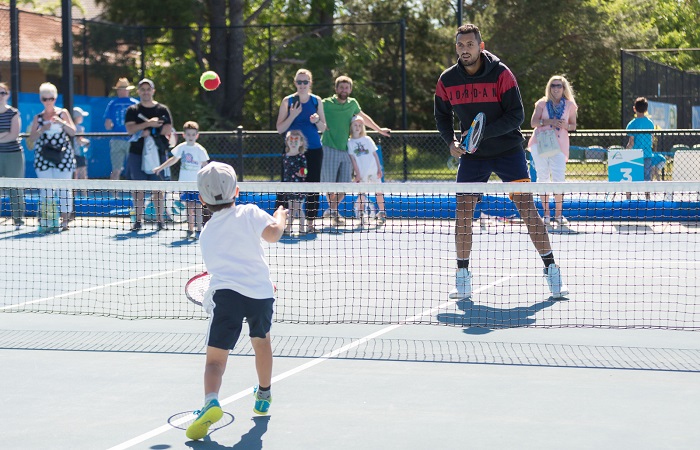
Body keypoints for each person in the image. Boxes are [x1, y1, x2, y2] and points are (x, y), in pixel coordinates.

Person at [434, 24, 567, 300]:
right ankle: (462, 275)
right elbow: (442, 115)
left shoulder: (502, 74)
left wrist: (480, 134)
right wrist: (451, 142)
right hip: (473, 158)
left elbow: (516, 115)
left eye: (470, 44)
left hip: (508, 152)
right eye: (460, 45)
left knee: (528, 210)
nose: (465, 49)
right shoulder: (447, 80)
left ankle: (552, 269)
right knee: (463, 215)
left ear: (480, 46)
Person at [186, 162, 286, 441]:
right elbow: (274, 234)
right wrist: (281, 216)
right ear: (237, 191)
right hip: (260, 295)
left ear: (202, 200)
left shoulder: (206, 233)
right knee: (262, 342)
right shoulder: (250, 212)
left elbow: (217, 269)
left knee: (215, 361)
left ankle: (211, 401)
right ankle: (264, 394)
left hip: (226, 297)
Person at [321, 75, 391, 224]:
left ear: (350, 89)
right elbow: (315, 114)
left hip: (345, 150)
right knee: (329, 185)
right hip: (328, 148)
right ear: (336, 88)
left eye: (346, 87)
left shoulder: (352, 104)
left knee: (346, 184)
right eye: (341, 87)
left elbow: (363, 117)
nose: (344, 90)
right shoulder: (325, 103)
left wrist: (379, 129)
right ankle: (334, 213)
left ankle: (332, 209)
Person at [275, 69, 326, 233]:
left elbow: (323, 127)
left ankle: (310, 223)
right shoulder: (287, 101)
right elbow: (280, 128)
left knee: (312, 185)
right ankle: (281, 223)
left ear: (310, 83)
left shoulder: (316, 101)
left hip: (313, 149)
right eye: (299, 82)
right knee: (286, 186)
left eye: (305, 82)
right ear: (295, 83)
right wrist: (292, 115)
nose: (302, 85)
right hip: (292, 151)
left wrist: (317, 120)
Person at [124, 78, 174, 232]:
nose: (146, 92)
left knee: (158, 189)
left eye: (148, 89)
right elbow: (130, 129)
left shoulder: (162, 109)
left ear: (153, 91)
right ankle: (138, 221)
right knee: (138, 188)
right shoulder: (133, 110)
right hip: (137, 154)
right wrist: (147, 124)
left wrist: (153, 131)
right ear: (139, 92)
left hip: (158, 155)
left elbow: (167, 129)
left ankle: (160, 221)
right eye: (143, 89)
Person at [528, 75, 578, 226]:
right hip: (541, 143)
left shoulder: (570, 105)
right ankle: (546, 214)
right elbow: (533, 122)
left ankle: (558, 214)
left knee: (559, 178)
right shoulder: (541, 103)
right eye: (553, 85)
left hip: (559, 145)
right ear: (549, 87)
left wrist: (565, 126)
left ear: (564, 88)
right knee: (542, 177)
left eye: (559, 86)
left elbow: (573, 125)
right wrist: (549, 121)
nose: (556, 88)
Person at [29, 82, 77, 232]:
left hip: (63, 158)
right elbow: (32, 137)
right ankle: (47, 220)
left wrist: (61, 122)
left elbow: (73, 132)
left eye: (51, 98)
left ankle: (65, 222)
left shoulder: (63, 113)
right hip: (43, 158)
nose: (48, 101)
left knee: (64, 189)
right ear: (41, 99)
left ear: (55, 98)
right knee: (46, 190)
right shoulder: (38, 117)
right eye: (45, 98)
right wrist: (43, 128)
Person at [153, 121, 209, 239]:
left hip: (197, 184)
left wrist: (211, 178)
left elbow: (205, 165)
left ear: (197, 135)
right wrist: (160, 167)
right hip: (185, 184)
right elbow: (173, 159)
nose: (191, 137)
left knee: (198, 207)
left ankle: (199, 230)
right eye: (188, 134)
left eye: (193, 134)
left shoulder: (200, 149)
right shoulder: (182, 147)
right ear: (184, 135)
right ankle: (190, 229)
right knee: (189, 206)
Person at [347, 115, 386, 225]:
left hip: (373, 171)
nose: (357, 127)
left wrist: (379, 169)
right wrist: (357, 174)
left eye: (360, 125)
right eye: (355, 125)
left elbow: (375, 155)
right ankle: (361, 214)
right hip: (361, 173)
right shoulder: (349, 143)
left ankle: (382, 213)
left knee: (379, 192)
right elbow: (353, 160)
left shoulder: (368, 139)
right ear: (351, 127)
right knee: (361, 194)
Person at [0, 82, 25, 229]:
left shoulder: (14, 113)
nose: (0, 96)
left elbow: (14, 134)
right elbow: (8, 134)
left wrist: (6, 135)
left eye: (2, 93)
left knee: (15, 188)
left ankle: (18, 220)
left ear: (7, 95)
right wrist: (5, 134)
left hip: (13, 156)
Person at [103, 78, 139, 180]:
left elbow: (107, 125)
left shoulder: (112, 104)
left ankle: (115, 195)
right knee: (134, 168)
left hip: (117, 139)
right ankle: (136, 195)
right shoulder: (135, 104)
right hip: (132, 139)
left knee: (116, 170)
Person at [282, 130, 308, 234]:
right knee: (291, 208)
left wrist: (302, 172)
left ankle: (302, 228)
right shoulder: (285, 156)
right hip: (289, 187)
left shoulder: (301, 156)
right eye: (291, 141)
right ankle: (288, 228)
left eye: (296, 141)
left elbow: (305, 170)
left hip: (299, 187)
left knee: (298, 208)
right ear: (287, 141)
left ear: (301, 143)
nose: (293, 143)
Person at [626, 97, 655, 180]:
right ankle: (647, 193)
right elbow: (652, 138)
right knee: (647, 177)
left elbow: (631, 142)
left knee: (632, 176)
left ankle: (629, 193)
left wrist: (626, 151)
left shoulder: (631, 124)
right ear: (646, 110)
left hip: (635, 155)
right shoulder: (650, 123)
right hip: (647, 153)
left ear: (634, 109)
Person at [72, 107, 91, 183]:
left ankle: (74, 194)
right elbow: (79, 140)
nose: (82, 118)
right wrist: (87, 142)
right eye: (81, 116)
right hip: (79, 155)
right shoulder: (79, 128)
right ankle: (84, 194)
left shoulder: (72, 127)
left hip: (73, 154)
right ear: (76, 117)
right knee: (83, 176)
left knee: (74, 177)